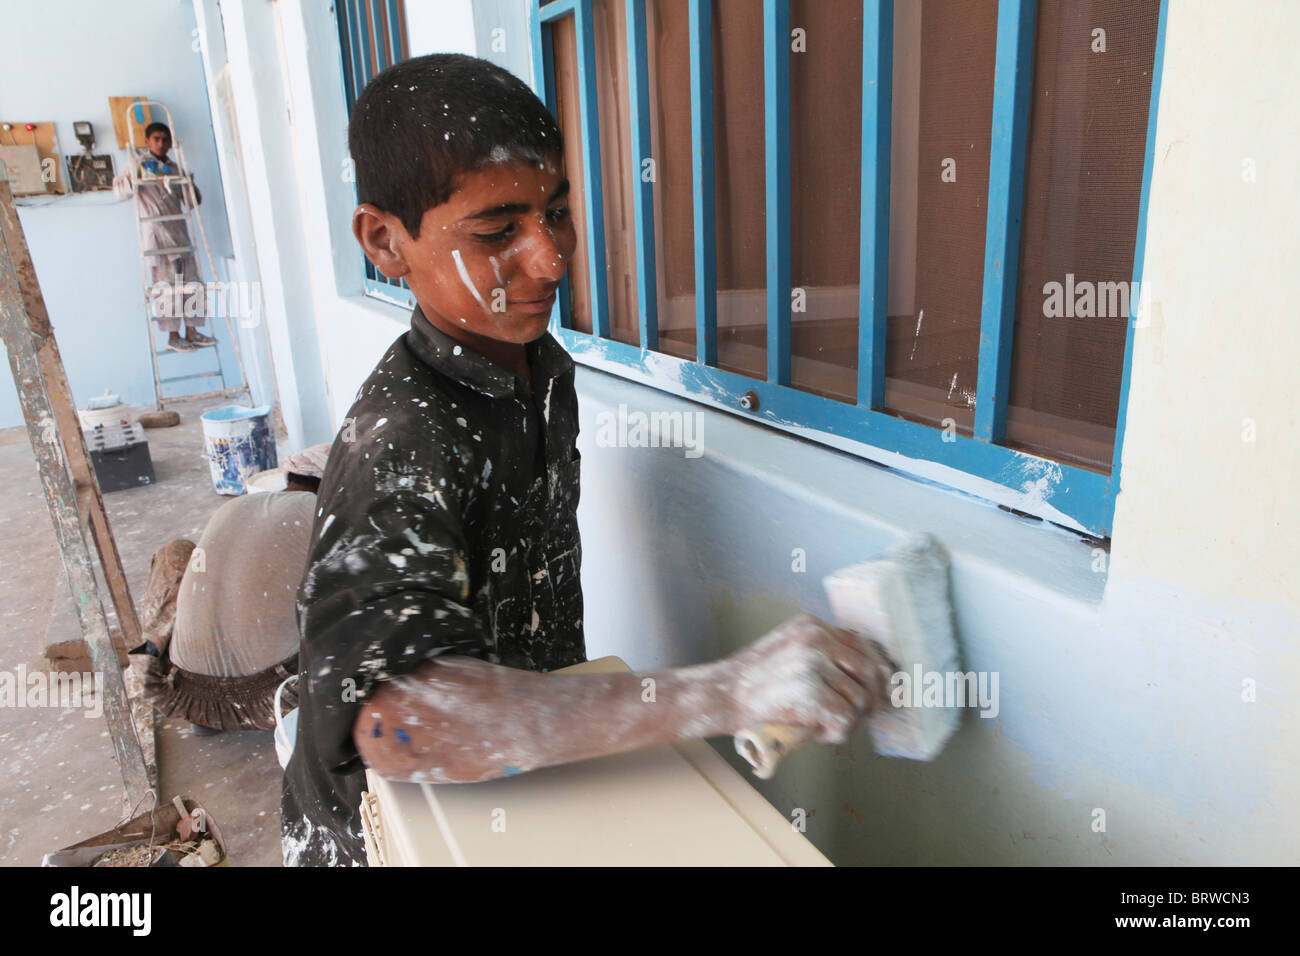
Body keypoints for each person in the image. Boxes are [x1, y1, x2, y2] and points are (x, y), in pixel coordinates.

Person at [282, 54, 892, 867]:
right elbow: (403, 723)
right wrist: (729, 690)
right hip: (385, 833)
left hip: (513, 783)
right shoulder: (401, 439)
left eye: (556, 212)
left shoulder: (537, 368)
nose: (550, 257)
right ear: (385, 241)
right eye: (499, 231)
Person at [134, 446, 330, 732]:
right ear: (331, 484)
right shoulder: (321, 517)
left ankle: (152, 653)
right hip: (279, 702)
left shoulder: (233, 507)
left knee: (176, 552)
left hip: (182, 697)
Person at [117, 121, 214, 353]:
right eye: (156, 139)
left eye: (165, 140)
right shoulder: (137, 164)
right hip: (157, 236)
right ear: (148, 141)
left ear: (170, 143)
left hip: (179, 232)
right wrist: (134, 177)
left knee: (191, 283)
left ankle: (192, 331)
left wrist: (188, 181)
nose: (161, 144)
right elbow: (120, 191)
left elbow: (193, 202)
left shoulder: (174, 167)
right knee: (166, 287)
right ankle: (173, 335)